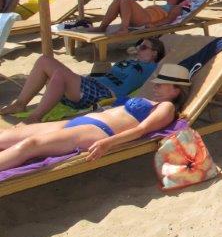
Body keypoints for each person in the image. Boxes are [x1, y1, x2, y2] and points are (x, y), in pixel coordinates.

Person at [0, 63, 192, 171]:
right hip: (79, 122)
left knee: (30, 145)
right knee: (7, 136)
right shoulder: (152, 101)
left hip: (97, 132)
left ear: (176, 90)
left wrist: (107, 143)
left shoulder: (167, 107)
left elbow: (141, 130)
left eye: (161, 84)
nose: (155, 86)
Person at [0, 38, 165, 123]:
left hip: (103, 94)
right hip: (91, 85)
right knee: (44, 60)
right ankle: (20, 103)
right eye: (139, 45)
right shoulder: (130, 61)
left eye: (143, 47)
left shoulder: (152, 68)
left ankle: (35, 117)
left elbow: (168, 63)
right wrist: (134, 54)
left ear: (155, 53)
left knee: (59, 75)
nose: (139, 49)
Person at [88, 0, 192, 34]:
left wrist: (154, 25)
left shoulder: (176, 7)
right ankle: (102, 27)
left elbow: (169, 19)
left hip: (146, 19)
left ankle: (124, 28)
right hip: (141, 17)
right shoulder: (165, 5)